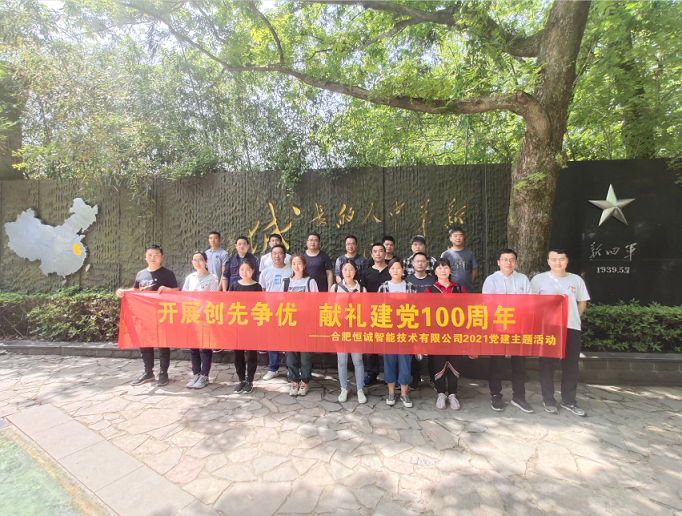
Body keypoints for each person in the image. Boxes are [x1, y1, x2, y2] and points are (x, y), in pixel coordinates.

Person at [531, 249, 590, 416]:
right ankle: (548, 399)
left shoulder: (576, 280)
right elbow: (532, 303)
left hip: (571, 328)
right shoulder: (538, 279)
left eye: (561, 259)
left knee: (571, 365)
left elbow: (582, 302)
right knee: (546, 364)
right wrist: (550, 299)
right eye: (554, 259)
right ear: (548, 261)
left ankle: (569, 401)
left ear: (567, 261)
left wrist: (574, 318)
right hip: (548, 328)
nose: (558, 262)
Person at [116, 245, 178, 387]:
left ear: (161, 257)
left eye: (156, 255)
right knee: (144, 343)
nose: (153, 257)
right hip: (144, 315)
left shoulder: (167, 274)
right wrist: (123, 291)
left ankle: (163, 373)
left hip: (161, 315)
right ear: (145, 257)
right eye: (150, 255)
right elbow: (136, 290)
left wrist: (168, 289)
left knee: (163, 344)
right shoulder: (141, 274)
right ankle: (148, 372)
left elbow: (176, 290)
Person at [482, 248, 534, 413]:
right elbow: (487, 303)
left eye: (512, 260)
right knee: (496, 362)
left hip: (519, 328)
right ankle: (496, 394)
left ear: (516, 262)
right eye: (505, 259)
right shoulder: (491, 280)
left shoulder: (523, 279)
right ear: (498, 262)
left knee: (519, 363)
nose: (508, 263)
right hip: (498, 327)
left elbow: (530, 302)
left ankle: (519, 396)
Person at [424, 259, 464, 410]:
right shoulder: (430, 290)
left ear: (450, 270)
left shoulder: (459, 288)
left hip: (456, 334)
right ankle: (441, 393)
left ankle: (453, 394)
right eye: (439, 268)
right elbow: (426, 314)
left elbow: (467, 309)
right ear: (435, 271)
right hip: (437, 334)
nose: (442, 271)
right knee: (438, 362)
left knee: (455, 362)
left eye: (445, 267)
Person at [378, 258, 417, 408]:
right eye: (392, 268)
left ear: (403, 270)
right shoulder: (383, 287)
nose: (395, 271)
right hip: (388, 330)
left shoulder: (410, 286)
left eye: (398, 268)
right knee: (389, 361)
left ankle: (404, 394)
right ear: (389, 270)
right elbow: (378, 309)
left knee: (405, 361)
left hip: (406, 330)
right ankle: (391, 392)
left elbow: (416, 308)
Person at [279, 253, 319, 395]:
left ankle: (305, 381)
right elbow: (281, 303)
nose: (296, 266)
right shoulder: (286, 283)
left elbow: (316, 303)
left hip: (306, 323)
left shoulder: (310, 282)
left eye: (299, 263)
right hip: (290, 323)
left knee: (306, 354)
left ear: (304, 265)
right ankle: (294, 380)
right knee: (290, 354)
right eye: (294, 263)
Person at [330, 258, 367, 403]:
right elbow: (330, 309)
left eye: (351, 269)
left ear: (355, 271)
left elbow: (366, 311)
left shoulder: (362, 289)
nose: (348, 272)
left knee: (358, 360)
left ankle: (360, 389)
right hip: (340, 328)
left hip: (356, 329)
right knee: (342, 360)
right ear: (341, 271)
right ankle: (344, 388)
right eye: (345, 269)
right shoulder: (335, 288)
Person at [182, 251, 220, 389]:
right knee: (193, 348)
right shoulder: (190, 278)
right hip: (192, 316)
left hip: (205, 317)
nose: (197, 262)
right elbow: (184, 296)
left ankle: (204, 375)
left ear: (206, 261)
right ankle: (196, 374)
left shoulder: (212, 278)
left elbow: (213, 298)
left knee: (205, 348)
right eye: (195, 260)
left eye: (200, 260)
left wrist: (202, 311)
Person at [228, 258, 262, 393]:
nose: (245, 272)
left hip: (251, 326)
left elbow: (260, 305)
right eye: (242, 269)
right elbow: (229, 304)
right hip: (237, 325)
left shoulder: (257, 286)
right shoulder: (234, 286)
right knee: (238, 354)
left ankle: (250, 381)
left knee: (251, 354)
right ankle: (241, 380)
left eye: (248, 269)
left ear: (252, 271)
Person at [359, 243, 392, 385]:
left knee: (388, 343)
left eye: (380, 251)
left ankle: (390, 375)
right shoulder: (366, 272)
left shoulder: (391, 270)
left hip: (388, 312)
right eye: (375, 251)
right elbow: (362, 293)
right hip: (370, 312)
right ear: (371, 255)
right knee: (371, 343)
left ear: (385, 253)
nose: (378, 254)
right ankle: (372, 373)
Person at [259, 244, 292, 380]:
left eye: (280, 253)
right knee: (272, 339)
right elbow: (263, 291)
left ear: (285, 255)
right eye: (274, 253)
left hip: (288, 310)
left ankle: (291, 368)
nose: (277, 256)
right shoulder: (265, 272)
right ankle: (273, 368)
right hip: (271, 310)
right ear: (271, 255)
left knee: (288, 339)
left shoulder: (291, 270)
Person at [405, 251, 436, 389]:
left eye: (422, 261)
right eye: (417, 261)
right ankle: (415, 378)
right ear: (413, 264)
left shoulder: (433, 281)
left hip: (429, 320)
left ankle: (434, 378)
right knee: (412, 351)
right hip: (412, 320)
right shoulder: (407, 281)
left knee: (432, 351)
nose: (420, 264)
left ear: (426, 264)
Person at [441, 227, 478, 293]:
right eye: (455, 236)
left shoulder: (469, 253)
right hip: (451, 290)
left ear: (463, 237)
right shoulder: (445, 254)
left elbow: (474, 270)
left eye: (460, 235)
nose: (458, 238)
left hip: (467, 289)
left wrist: (468, 281)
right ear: (450, 238)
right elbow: (441, 271)